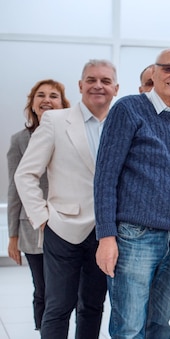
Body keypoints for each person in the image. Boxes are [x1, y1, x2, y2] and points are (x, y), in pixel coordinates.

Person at [94, 48, 170, 339]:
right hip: (134, 236)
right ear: (153, 72)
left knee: (159, 326)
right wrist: (106, 236)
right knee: (129, 328)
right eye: (168, 68)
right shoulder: (127, 109)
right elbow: (105, 177)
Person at [15, 60, 119, 338]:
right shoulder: (55, 121)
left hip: (106, 232)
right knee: (59, 305)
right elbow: (25, 174)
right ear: (81, 85)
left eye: (106, 81)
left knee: (93, 306)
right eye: (92, 79)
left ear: (116, 88)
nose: (99, 85)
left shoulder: (121, 124)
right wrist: (42, 218)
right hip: (62, 228)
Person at [7, 79, 70, 332]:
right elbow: (15, 189)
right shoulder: (19, 140)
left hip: (66, 223)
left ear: (63, 104)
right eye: (40, 95)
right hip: (32, 227)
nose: (47, 99)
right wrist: (12, 235)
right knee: (43, 288)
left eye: (53, 96)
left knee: (66, 291)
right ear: (32, 104)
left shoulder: (71, 134)